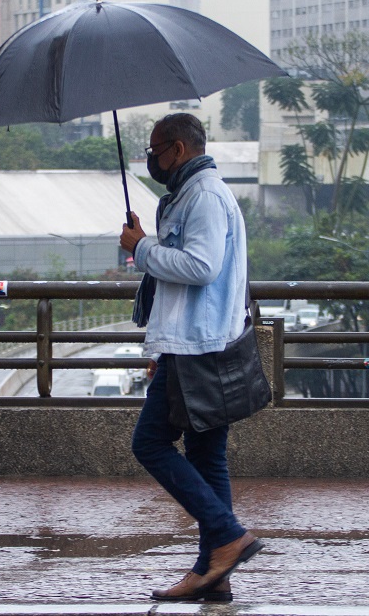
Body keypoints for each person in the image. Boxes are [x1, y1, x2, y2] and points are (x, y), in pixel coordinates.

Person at [119, 113, 263, 603]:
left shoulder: (202, 196)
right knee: (205, 455)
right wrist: (150, 242)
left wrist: (142, 250)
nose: (152, 160)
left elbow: (201, 267)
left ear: (178, 149)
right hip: (197, 341)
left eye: (155, 151)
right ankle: (214, 572)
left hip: (198, 345)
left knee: (151, 443)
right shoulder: (193, 194)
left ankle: (226, 536)